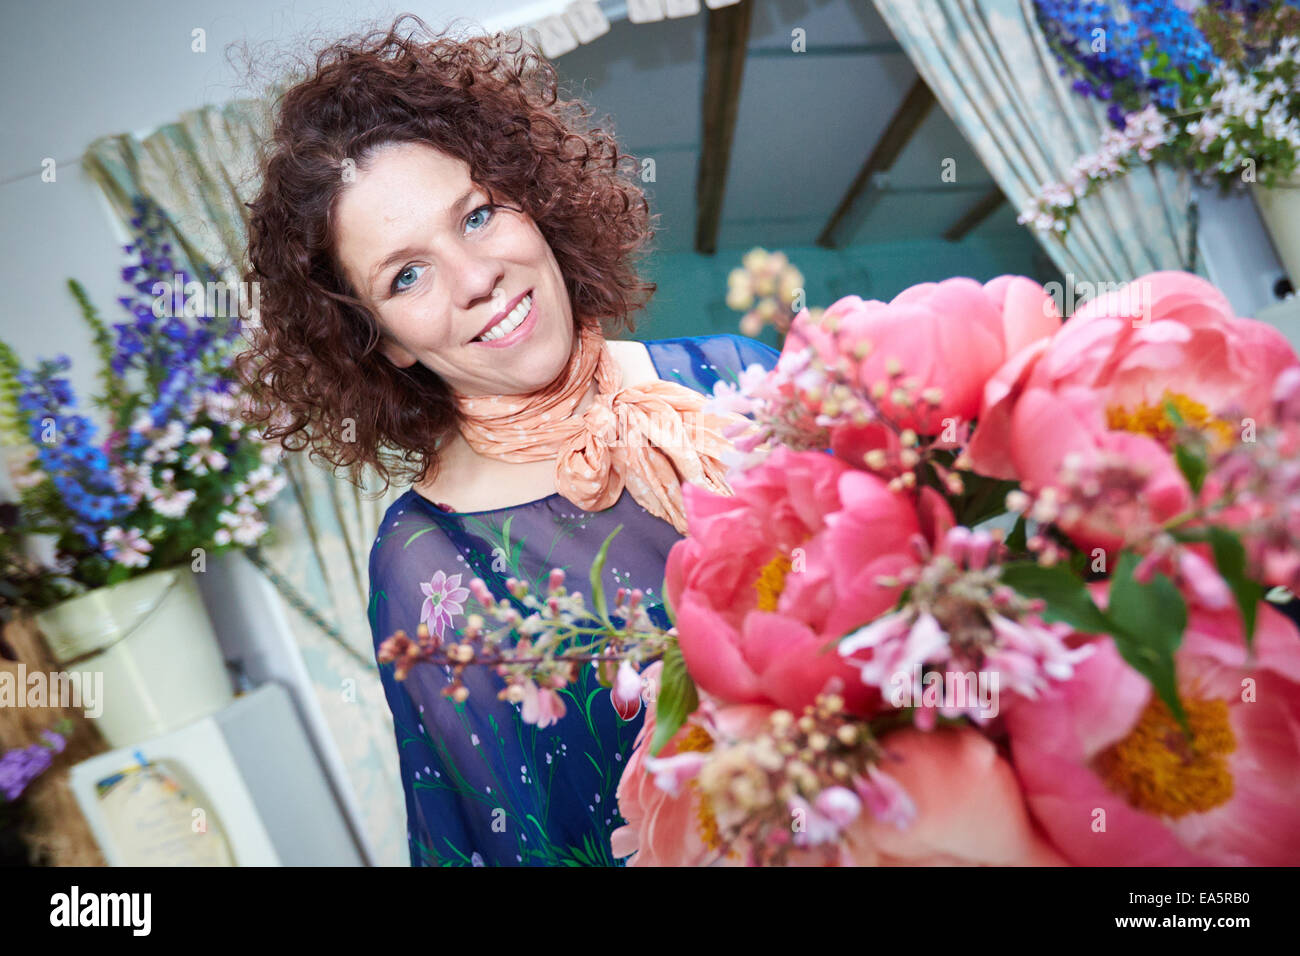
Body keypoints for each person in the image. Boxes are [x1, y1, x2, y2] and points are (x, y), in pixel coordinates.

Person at [233, 16, 781, 866]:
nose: (476, 276)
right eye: (406, 275)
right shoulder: (432, 565)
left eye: (478, 215)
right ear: (382, 340)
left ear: (536, 202)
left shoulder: (739, 374)